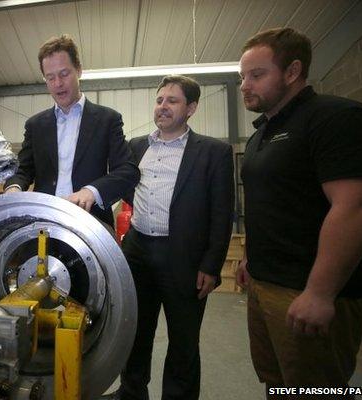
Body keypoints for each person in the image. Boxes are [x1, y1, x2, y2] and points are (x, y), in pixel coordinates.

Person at [236, 27, 362, 395]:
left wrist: (321, 293)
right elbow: (271, 203)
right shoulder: (263, 133)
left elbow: (354, 207)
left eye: (257, 75)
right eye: (242, 76)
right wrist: (250, 260)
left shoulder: (335, 118)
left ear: (292, 72)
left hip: (308, 290)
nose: (245, 84)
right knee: (278, 383)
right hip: (264, 284)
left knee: (315, 388)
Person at [113, 75, 234, 400]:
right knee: (135, 332)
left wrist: (211, 264)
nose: (163, 106)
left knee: (183, 339)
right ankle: (131, 392)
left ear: (191, 108)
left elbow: (222, 212)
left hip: (184, 257)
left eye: (173, 101)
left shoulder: (213, 151)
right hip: (137, 251)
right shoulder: (136, 147)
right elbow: (123, 187)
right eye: (159, 100)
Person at [4, 34, 139, 228]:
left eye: (64, 74)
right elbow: (23, 170)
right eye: (50, 77)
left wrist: (91, 191)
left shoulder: (107, 120)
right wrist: (14, 188)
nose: (58, 83)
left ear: (79, 70)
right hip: (44, 225)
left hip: (91, 225)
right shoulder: (35, 125)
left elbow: (128, 171)